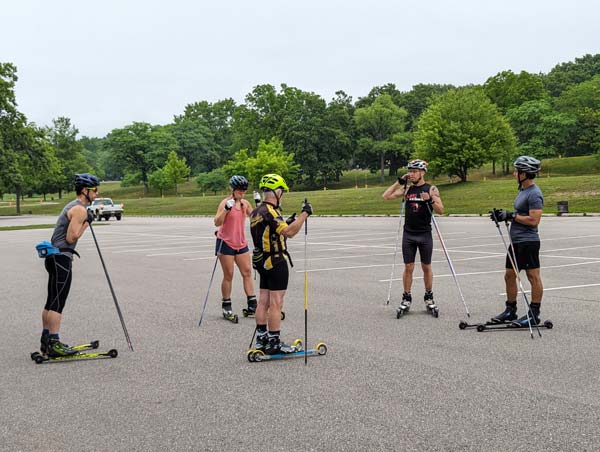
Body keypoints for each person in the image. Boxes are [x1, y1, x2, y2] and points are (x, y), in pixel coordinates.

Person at [250, 174, 311, 354]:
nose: (282, 195)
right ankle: (274, 342)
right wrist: (304, 214)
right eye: (281, 192)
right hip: (276, 261)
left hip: (262, 261)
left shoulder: (256, 211)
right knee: (276, 302)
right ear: (276, 192)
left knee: (263, 301)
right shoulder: (271, 211)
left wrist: (287, 222)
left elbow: (271, 230)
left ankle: (262, 339)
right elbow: (289, 233)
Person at [40, 173, 99, 357]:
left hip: (53, 257)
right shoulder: (79, 209)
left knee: (51, 300)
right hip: (61, 258)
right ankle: (55, 343)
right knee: (58, 301)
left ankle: (46, 340)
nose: (96, 194)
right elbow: (71, 237)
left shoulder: (72, 206)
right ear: (85, 190)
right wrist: (87, 222)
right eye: (94, 190)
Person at [382, 159, 444, 316]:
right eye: (410, 171)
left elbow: (441, 210)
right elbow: (386, 196)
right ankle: (406, 297)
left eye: (415, 171)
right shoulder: (407, 189)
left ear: (422, 173)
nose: (411, 174)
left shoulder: (431, 189)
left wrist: (429, 200)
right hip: (409, 234)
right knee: (408, 267)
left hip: (424, 234)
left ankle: (429, 296)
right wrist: (399, 182)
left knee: (426, 266)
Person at [490, 156, 544, 326]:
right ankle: (510, 310)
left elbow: (534, 220)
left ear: (525, 174)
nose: (514, 173)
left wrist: (512, 215)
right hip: (516, 242)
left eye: (517, 171)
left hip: (528, 241)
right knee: (509, 275)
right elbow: (518, 215)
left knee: (532, 276)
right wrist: (502, 216)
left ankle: (534, 313)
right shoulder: (522, 191)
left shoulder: (535, 193)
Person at [214, 175, 256, 320]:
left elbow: (257, 218)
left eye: (244, 191)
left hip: (241, 243)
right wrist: (226, 209)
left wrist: (259, 204)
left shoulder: (245, 204)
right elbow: (217, 222)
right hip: (225, 243)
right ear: (232, 189)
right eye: (239, 190)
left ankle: (252, 304)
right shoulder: (225, 202)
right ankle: (226, 306)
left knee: (247, 272)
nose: (242, 193)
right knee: (229, 275)